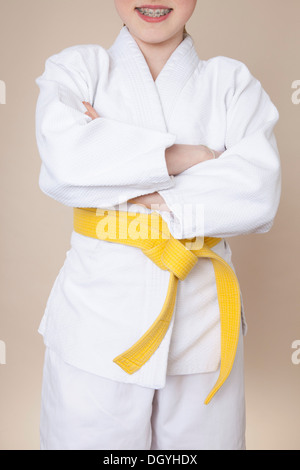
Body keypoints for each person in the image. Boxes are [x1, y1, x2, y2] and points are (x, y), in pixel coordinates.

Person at [35, 0, 281, 450]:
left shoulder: (232, 83)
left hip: (203, 326)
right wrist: (196, 157)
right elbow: (66, 164)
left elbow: (257, 194)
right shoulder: (77, 68)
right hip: (95, 322)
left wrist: (127, 177)